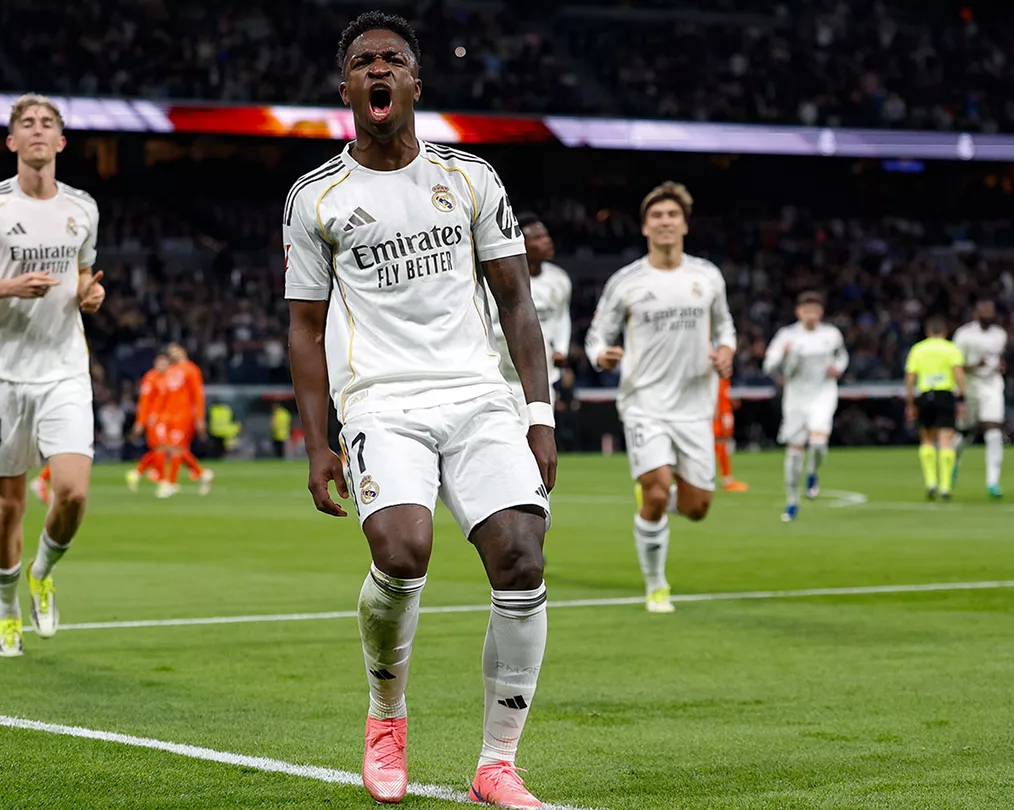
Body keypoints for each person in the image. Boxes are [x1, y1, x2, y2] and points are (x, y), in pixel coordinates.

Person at [283, 12, 556, 808]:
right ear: (347, 89)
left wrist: (537, 413)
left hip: (478, 398)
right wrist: (316, 442)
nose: (379, 70)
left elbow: (516, 300)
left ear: (413, 84)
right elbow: (303, 324)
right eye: (364, 61)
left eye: (392, 60)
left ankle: (497, 764)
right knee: (403, 551)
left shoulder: (471, 178)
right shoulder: (316, 198)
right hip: (381, 402)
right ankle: (385, 717)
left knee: (522, 557)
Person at [0, 94, 104, 657]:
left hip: (64, 370)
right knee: (9, 505)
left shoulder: (83, 207)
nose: (36, 131)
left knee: (74, 493)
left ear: (60, 142)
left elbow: (81, 281)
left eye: (46, 124)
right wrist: (7, 286)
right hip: (3, 376)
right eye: (25, 124)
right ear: (11, 142)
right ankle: (6, 614)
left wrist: (91, 294)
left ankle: (43, 570)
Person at [585, 181, 735, 614]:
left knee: (697, 507)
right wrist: (601, 355)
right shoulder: (627, 281)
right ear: (646, 227)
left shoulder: (706, 276)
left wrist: (726, 352)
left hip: (694, 405)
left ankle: (660, 486)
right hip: (643, 401)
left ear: (684, 225)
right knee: (655, 496)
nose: (665, 222)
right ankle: (656, 586)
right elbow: (598, 334)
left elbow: (725, 327)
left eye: (672, 216)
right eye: (657, 216)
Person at [762, 291, 847, 521]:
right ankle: (792, 501)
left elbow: (842, 357)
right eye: (806, 310)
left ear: (820, 313)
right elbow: (769, 366)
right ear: (798, 312)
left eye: (815, 310)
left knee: (819, 443)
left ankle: (813, 473)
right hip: (796, 395)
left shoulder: (831, 334)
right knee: (795, 450)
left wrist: (838, 368)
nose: (811, 315)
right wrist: (782, 362)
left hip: (823, 392)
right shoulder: (787, 336)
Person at [486, 213, 572, 404]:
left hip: (541, 376)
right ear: (521, 244)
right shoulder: (500, 281)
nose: (548, 241)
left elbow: (561, 317)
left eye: (547, 236)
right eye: (538, 238)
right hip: (502, 376)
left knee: (541, 428)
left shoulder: (560, 279)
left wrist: (560, 349)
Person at [904, 316, 966, 501]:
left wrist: (910, 402)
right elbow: (959, 374)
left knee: (927, 438)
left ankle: (931, 481)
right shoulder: (950, 349)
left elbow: (910, 377)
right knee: (946, 439)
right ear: (945, 332)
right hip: (944, 394)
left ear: (927, 332)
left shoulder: (918, 349)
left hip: (925, 394)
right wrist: (961, 398)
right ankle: (945, 486)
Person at [952, 298, 1009, 498]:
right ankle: (953, 462)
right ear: (976, 314)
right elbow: (956, 364)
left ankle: (993, 482)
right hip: (970, 384)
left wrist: (1001, 365)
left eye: (991, 312)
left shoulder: (1000, 334)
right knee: (964, 433)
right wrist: (975, 365)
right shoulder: (964, 334)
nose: (988, 316)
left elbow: (999, 358)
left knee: (993, 431)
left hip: (992, 385)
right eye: (984, 312)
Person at [157, 343, 213, 498]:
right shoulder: (171, 371)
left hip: (184, 415)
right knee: (174, 449)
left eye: (174, 350)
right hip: (169, 416)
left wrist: (200, 418)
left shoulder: (191, 370)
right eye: (170, 352)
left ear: (183, 350)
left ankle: (171, 483)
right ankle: (202, 473)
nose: (172, 354)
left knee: (175, 448)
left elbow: (198, 395)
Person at [126, 353, 170, 492]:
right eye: (159, 363)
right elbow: (144, 402)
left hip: (165, 418)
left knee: (159, 449)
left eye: (164, 364)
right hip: (154, 419)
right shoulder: (151, 378)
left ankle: (138, 473)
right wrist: (141, 421)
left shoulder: (168, 378)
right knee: (161, 448)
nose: (162, 366)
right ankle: (161, 479)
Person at [712, 378, 749, 492]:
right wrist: (718, 412)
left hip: (722, 408)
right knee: (719, 441)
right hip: (718, 411)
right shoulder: (715, 367)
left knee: (721, 443)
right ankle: (726, 480)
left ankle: (725, 478)